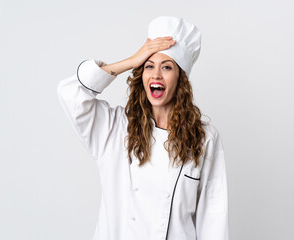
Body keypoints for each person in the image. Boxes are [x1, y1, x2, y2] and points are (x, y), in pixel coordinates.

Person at [57, 16, 229, 240]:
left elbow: (213, 220)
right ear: (141, 74)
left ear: (181, 79)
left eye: (167, 67)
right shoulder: (115, 129)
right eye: (149, 66)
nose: (156, 74)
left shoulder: (204, 138)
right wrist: (130, 61)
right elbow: (71, 93)